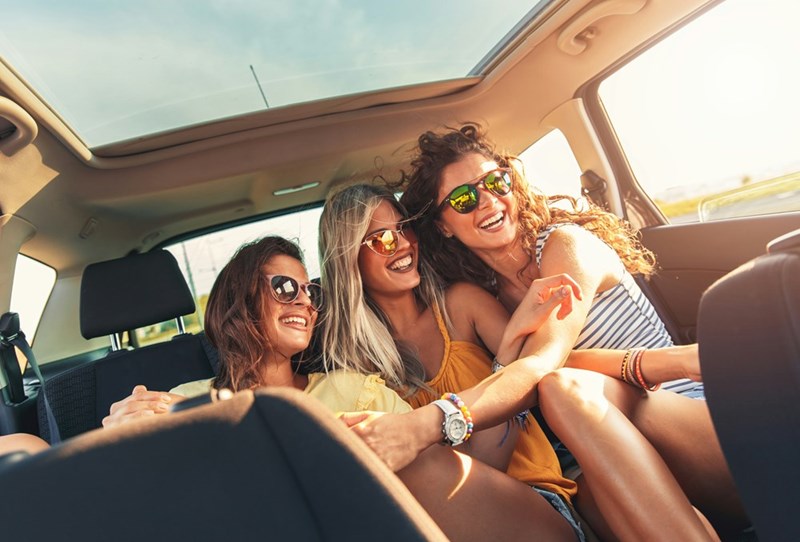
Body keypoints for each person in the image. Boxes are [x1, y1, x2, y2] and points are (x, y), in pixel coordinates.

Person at [378, 123, 745, 537]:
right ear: (443, 225)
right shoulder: (487, 298)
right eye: (464, 198)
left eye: (496, 182)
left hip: (698, 426)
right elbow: (535, 372)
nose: (488, 201)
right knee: (583, 494)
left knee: (562, 389)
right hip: (625, 455)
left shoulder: (565, 245)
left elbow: (543, 365)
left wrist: (426, 425)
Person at [105, 235, 585, 542]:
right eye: (285, 288)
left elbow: (452, 481)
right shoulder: (183, 398)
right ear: (240, 297)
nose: (305, 302)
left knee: (388, 454)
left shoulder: (354, 391)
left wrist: (509, 358)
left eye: (310, 292)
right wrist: (119, 440)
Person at [319, 183, 719, 541]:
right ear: (350, 260)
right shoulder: (359, 369)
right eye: (383, 240)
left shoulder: (461, 304)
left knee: (415, 463)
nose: (404, 244)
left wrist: (659, 362)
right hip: (464, 512)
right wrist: (507, 351)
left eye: (405, 228)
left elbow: (546, 366)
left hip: (541, 491)